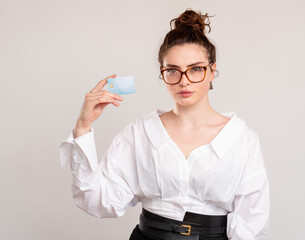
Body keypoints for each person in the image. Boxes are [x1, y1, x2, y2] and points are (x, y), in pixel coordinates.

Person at [59, 9, 270, 240]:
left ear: (212, 71)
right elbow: (96, 201)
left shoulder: (241, 138)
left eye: (196, 69)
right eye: (172, 71)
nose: (184, 81)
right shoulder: (141, 132)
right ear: (163, 74)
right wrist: (83, 127)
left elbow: (252, 222)